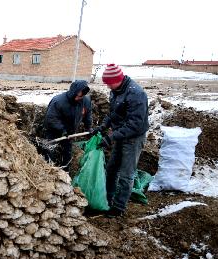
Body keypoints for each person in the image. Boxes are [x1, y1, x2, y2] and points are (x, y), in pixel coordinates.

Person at [91, 64, 149, 216]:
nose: (108, 86)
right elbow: (113, 114)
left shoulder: (136, 94)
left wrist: (111, 137)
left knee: (126, 174)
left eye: (109, 82)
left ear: (118, 79)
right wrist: (102, 127)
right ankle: (107, 200)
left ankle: (118, 208)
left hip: (133, 138)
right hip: (120, 135)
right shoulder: (115, 91)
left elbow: (135, 125)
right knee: (111, 170)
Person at [44, 80, 92, 171]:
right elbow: (51, 118)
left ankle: (66, 172)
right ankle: (49, 171)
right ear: (73, 92)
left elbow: (88, 115)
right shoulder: (58, 101)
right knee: (50, 151)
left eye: (81, 96)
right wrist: (62, 130)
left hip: (69, 132)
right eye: (77, 96)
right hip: (54, 130)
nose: (79, 98)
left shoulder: (86, 101)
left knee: (67, 153)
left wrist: (89, 127)